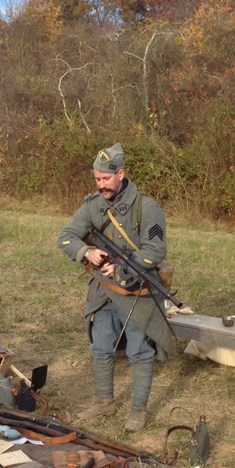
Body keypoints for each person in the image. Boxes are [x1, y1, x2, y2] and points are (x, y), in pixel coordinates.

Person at [58, 142, 173, 431]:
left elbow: (155, 251)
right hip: (102, 289)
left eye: (106, 179)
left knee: (138, 351)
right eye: (97, 179)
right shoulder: (94, 205)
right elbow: (67, 235)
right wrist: (87, 253)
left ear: (120, 174)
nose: (101, 185)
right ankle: (105, 401)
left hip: (136, 290)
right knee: (100, 347)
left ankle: (138, 409)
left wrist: (122, 267)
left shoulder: (146, 208)